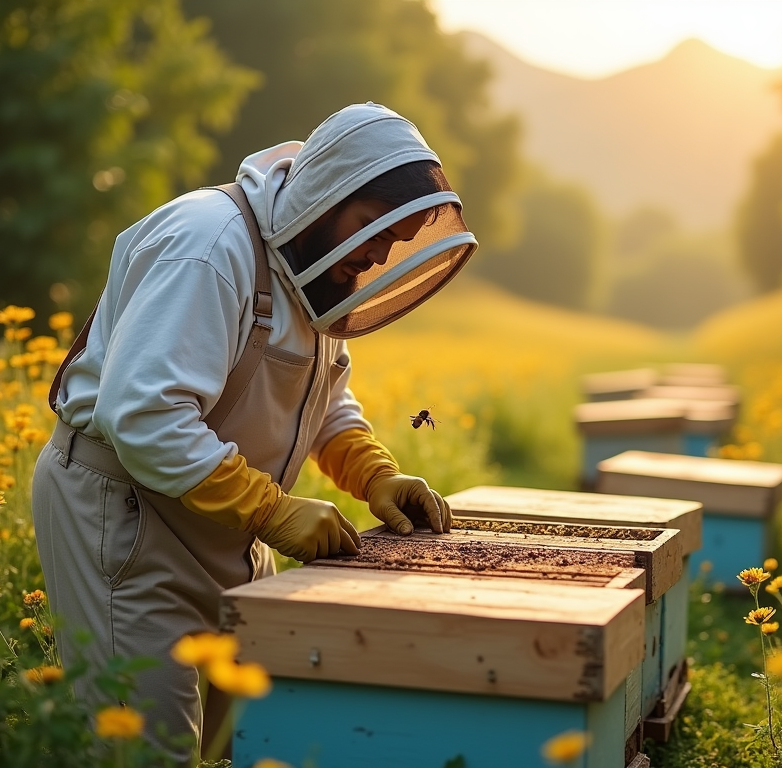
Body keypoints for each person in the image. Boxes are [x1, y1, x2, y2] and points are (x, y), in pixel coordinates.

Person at [31, 102, 477, 761]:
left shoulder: (311, 266)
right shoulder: (209, 245)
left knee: (234, 743)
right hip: (126, 517)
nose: (380, 252)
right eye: (371, 227)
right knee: (145, 749)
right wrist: (271, 506)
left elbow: (322, 402)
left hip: (226, 524)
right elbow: (145, 416)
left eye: (397, 237)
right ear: (329, 195)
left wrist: (374, 472)